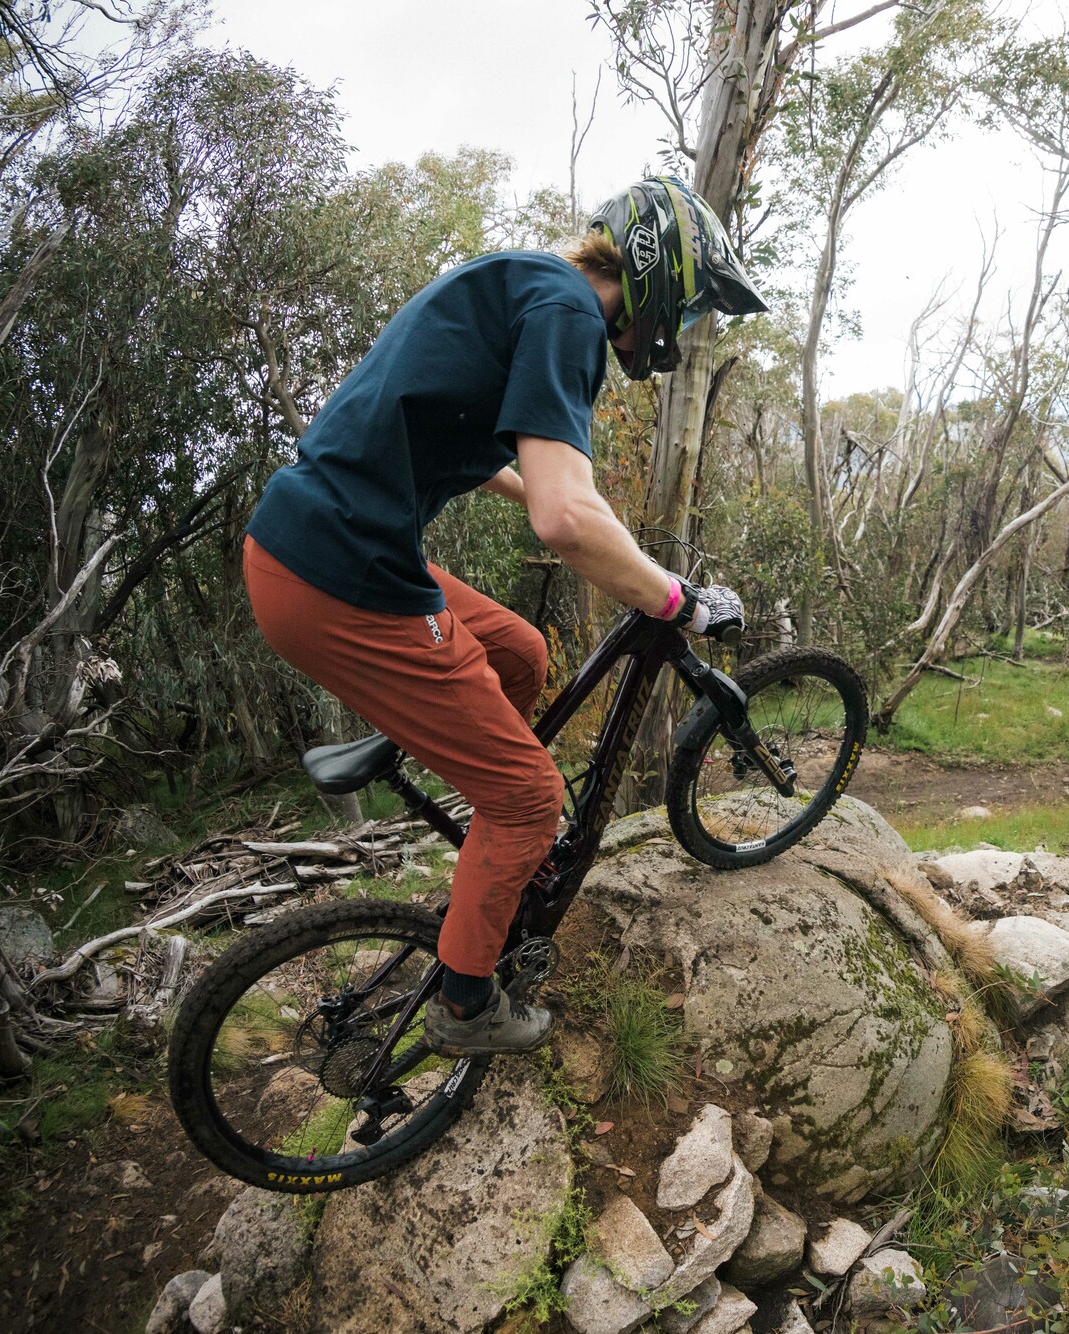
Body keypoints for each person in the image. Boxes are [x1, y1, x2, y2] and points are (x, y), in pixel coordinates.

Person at [242, 176, 765, 1056]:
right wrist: (671, 596)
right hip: (341, 577)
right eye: (695, 306)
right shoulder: (568, 318)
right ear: (659, 278)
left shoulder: (521, 280)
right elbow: (562, 519)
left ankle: (471, 795)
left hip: (313, 551)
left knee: (520, 652)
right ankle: (467, 1004)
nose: (688, 327)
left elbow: (456, 426)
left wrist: (591, 520)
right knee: (527, 800)